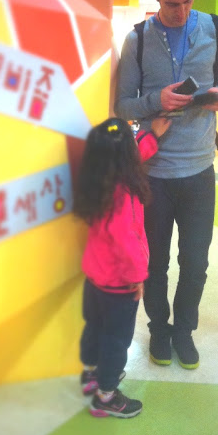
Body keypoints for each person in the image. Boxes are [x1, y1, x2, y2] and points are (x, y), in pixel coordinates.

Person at [114, 0, 218, 370]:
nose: (181, 12)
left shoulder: (215, 29)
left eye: (188, 1)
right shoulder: (137, 40)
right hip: (154, 173)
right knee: (155, 263)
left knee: (196, 262)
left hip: (200, 170)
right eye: (172, 4)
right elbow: (123, 105)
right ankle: (159, 329)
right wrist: (157, 100)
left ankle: (184, 330)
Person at [73, 116, 170, 418]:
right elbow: (129, 241)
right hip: (119, 284)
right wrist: (138, 278)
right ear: (128, 153)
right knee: (116, 341)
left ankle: (90, 376)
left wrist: (152, 137)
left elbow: (126, 155)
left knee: (94, 327)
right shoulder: (123, 194)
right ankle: (106, 396)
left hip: (95, 278)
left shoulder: (97, 181)